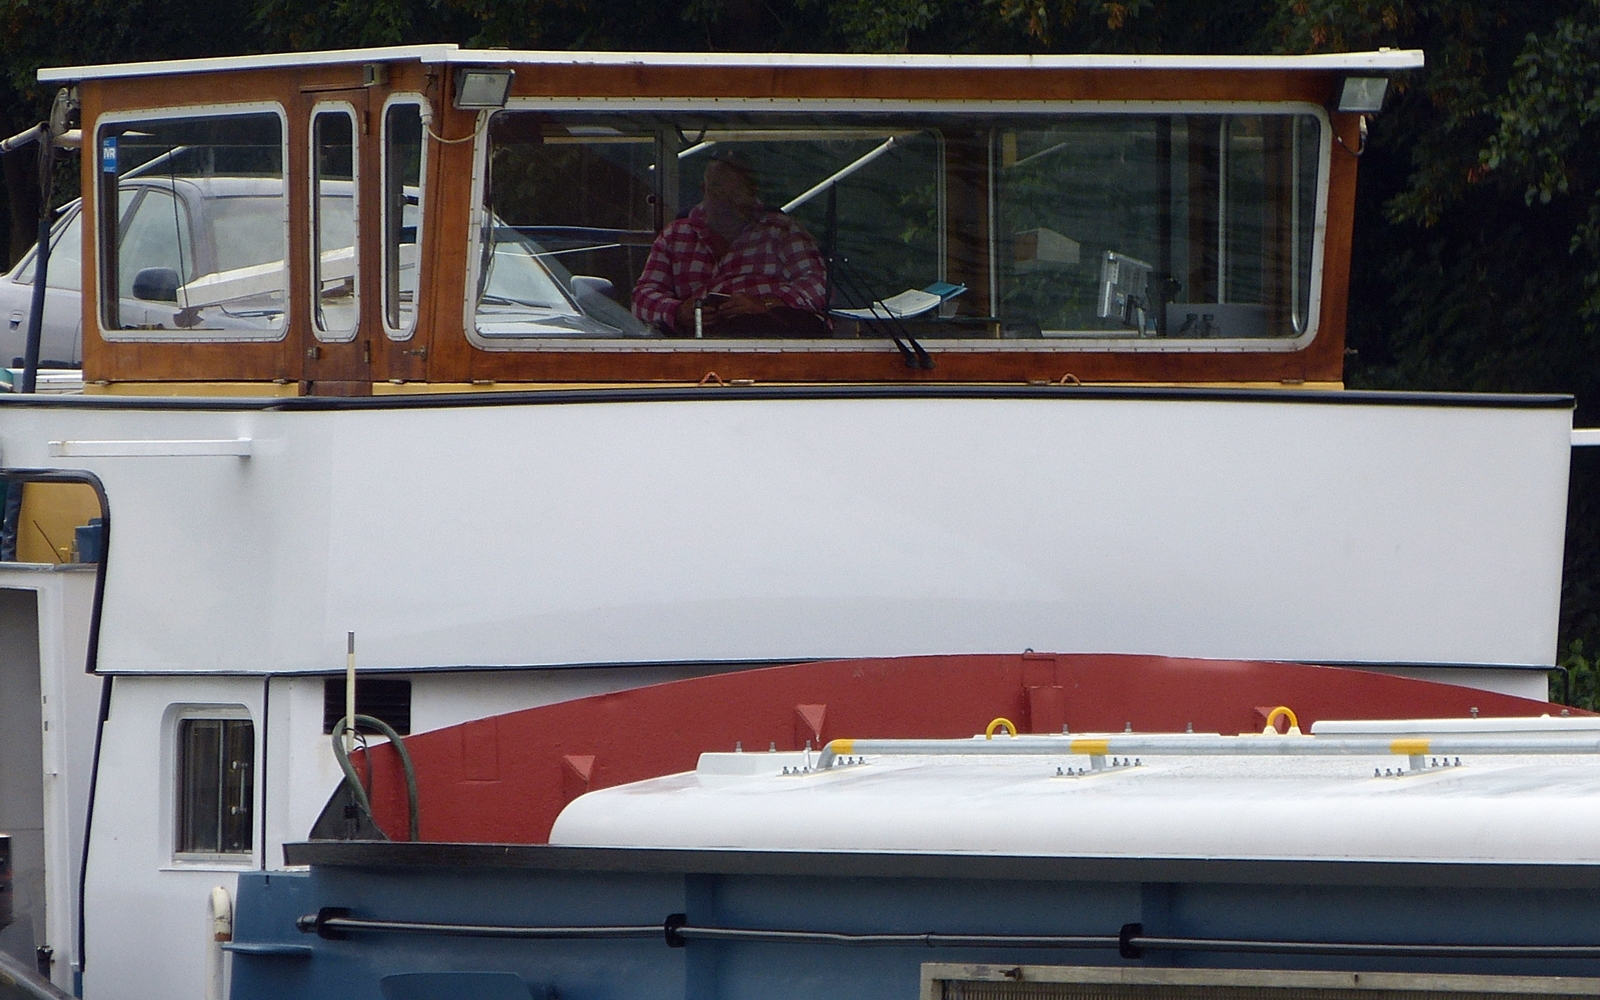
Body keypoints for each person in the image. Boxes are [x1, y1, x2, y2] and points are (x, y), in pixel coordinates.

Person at [631, 154, 829, 337]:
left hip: (771, 342)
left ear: (752, 192)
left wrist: (767, 304)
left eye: (734, 192)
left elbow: (818, 284)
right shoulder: (674, 236)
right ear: (703, 189)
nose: (725, 202)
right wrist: (678, 311)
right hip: (696, 347)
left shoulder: (782, 231)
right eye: (717, 190)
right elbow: (642, 297)